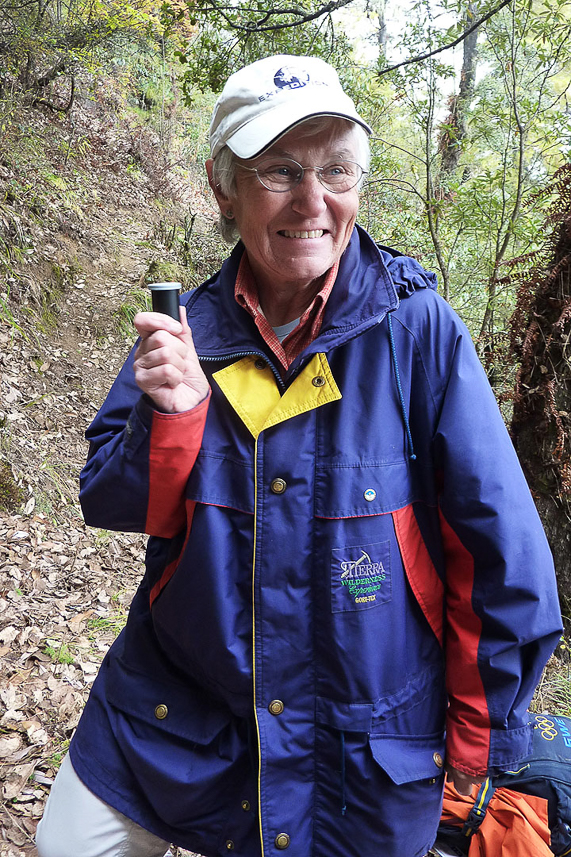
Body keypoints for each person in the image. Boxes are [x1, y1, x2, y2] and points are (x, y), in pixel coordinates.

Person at [36, 54, 562, 857]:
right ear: (225, 186)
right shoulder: (190, 333)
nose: (312, 200)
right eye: (280, 170)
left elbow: (496, 553)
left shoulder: (415, 334)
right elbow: (110, 501)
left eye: (335, 170)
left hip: (361, 736)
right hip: (176, 710)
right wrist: (172, 418)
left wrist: (478, 733)